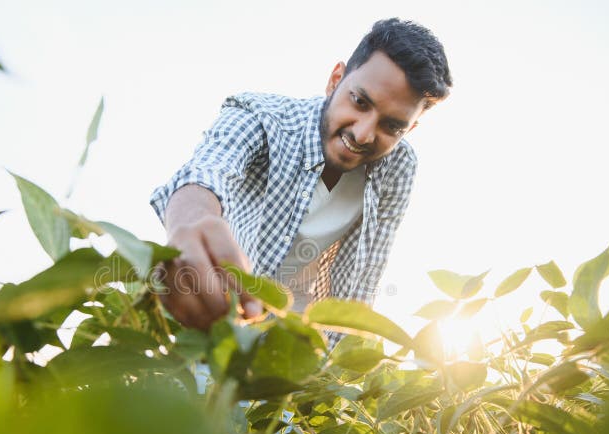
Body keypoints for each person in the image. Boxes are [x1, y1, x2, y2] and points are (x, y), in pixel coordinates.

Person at [150, 18, 451, 331]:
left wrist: (343, 366)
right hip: (218, 314)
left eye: (391, 126)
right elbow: (206, 172)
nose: (363, 135)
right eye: (360, 102)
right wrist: (191, 221)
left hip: (300, 344)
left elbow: (365, 278)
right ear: (336, 80)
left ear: (409, 129)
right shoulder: (264, 117)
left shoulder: (398, 167)